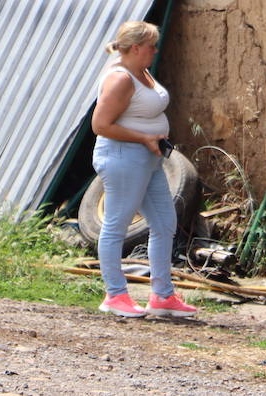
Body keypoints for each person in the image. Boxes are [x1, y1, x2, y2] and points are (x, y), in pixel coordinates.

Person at [91, 20, 198, 318]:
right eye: (151, 45)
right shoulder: (121, 78)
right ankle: (115, 294)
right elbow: (100, 125)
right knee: (116, 225)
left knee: (164, 223)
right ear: (136, 48)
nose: (155, 50)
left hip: (148, 160)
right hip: (124, 158)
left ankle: (162, 296)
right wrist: (144, 137)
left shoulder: (142, 71)